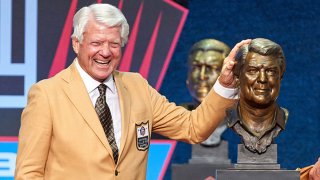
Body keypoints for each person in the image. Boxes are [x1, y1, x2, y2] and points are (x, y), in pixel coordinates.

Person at [14, 3, 250, 179]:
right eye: (96, 43)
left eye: (114, 44)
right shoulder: (47, 94)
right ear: (76, 43)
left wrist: (225, 84)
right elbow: (28, 174)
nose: (105, 52)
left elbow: (193, 127)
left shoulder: (137, 87)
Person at [226, 38, 287, 154]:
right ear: (238, 77)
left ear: (280, 78)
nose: (262, 79)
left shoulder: (283, 117)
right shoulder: (229, 116)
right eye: (253, 70)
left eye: (271, 71)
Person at [185, 39, 230, 146]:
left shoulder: (244, 124)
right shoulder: (172, 119)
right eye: (196, 67)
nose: (202, 76)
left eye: (211, 68)